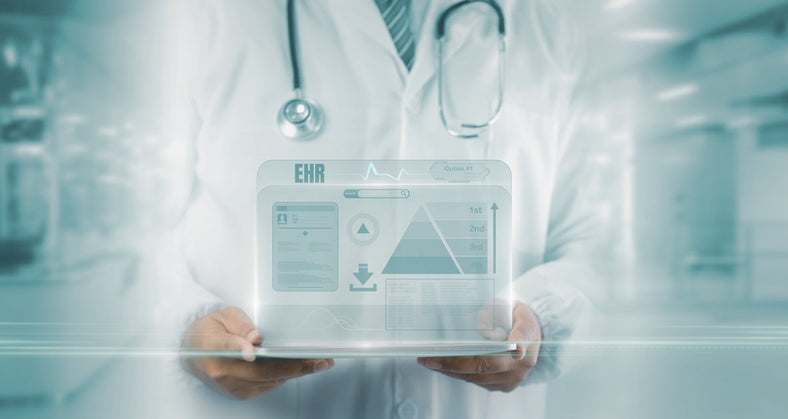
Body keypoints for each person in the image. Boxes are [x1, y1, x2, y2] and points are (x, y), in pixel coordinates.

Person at [167, 0, 597, 417]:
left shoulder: (550, 25)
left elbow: (594, 241)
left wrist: (542, 315)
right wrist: (187, 330)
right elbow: (131, 232)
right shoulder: (203, 15)